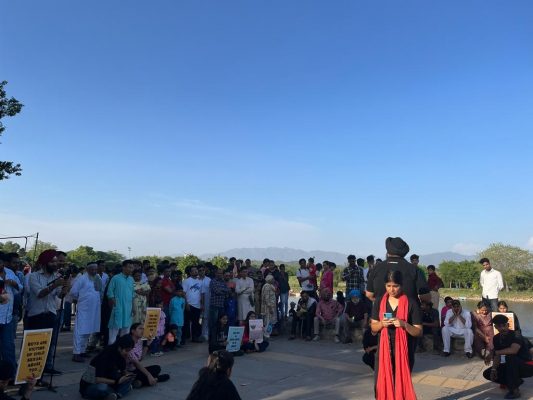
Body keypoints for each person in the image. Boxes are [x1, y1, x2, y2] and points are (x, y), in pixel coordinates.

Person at [370, 270, 422, 399]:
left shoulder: (411, 303)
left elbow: (418, 331)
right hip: (383, 349)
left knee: (401, 383)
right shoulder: (379, 302)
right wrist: (382, 323)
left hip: (405, 350)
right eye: (388, 286)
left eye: (395, 286)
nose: (392, 290)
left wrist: (404, 324)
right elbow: (373, 327)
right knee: (381, 384)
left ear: (402, 285)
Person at [27, 249, 67, 375]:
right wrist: (55, 285)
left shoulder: (56, 276)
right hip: (36, 316)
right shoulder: (34, 276)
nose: (55, 264)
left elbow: (60, 296)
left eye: (56, 262)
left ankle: (46, 369)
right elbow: (40, 294)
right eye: (52, 262)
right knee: (33, 348)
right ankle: (30, 374)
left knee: (49, 345)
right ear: (44, 263)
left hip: (50, 314)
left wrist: (66, 286)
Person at [483, 314, 533, 400]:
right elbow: (497, 356)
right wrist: (494, 369)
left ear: (508, 325)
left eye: (504, 325)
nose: (502, 328)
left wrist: (493, 352)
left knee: (510, 358)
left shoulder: (516, 335)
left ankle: (514, 390)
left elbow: (513, 350)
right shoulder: (496, 338)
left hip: (528, 365)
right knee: (488, 373)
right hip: (513, 366)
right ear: (496, 327)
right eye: (499, 326)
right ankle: (515, 381)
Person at [366, 237, 430, 304]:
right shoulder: (414, 269)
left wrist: (383, 304)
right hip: (408, 312)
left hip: (383, 313)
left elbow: (369, 294)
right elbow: (425, 297)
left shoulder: (376, 268)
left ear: (388, 251)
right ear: (404, 252)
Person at [79, 334, 136, 400]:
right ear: (120, 348)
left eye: (129, 351)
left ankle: (115, 395)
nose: (128, 353)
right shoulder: (106, 355)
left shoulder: (121, 356)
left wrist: (127, 376)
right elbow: (98, 379)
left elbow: (123, 371)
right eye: (126, 350)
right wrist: (117, 382)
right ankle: (118, 393)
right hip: (91, 385)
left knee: (128, 381)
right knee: (102, 387)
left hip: (110, 382)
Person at [70, 263, 102, 362]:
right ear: (87, 269)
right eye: (92, 269)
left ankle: (82, 351)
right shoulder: (82, 278)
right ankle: (76, 353)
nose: (94, 271)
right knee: (80, 330)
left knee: (88, 330)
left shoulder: (97, 278)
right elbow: (73, 292)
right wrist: (81, 299)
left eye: (95, 269)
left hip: (94, 309)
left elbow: (99, 290)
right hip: (84, 308)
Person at [126, 323, 169, 388]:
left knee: (157, 368)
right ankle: (156, 379)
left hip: (135, 369)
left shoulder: (140, 341)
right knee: (148, 375)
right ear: (133, 331)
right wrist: (149, 375)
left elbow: (140, 359)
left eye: (143, 329)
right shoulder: (128, 342)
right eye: (140, 328)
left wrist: (147, 344)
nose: (143, 330)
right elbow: (137, 363)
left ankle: (140, 382)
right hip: (127, 372)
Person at [0, 253, 22, 375]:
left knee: (8, 348)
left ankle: (11, 375)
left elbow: (21, 288)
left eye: (1, 263)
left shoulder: (10, 273)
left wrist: (14, 284)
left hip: (8, 318)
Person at [107, 260, 134, 345]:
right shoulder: (116, 278)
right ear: (124, 267)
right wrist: (114, 303)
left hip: (128, 309)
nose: (131, 269)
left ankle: (122, 354)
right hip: (118, 308)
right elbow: (109, 292)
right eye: (129, 267)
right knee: (113, 333)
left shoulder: (131, 279)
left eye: (132, 267)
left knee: (125, 333)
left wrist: (133, 307)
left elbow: (132, 294)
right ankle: (110, 353)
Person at [182, 267, 203, 343]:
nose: (195, 271)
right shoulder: (186, 281)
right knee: (186, 322)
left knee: (196, 322)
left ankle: (195, 337)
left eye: (196, 270)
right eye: (193, 270)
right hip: (189, 304)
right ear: (190, 272)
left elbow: (201, 294)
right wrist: (186, 303)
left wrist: (201, 304)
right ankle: (184, 338)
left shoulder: (200, 281)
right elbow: (183, 293)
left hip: (197, 305)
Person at [209, 268, 229, 336]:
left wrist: (222, 290)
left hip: (221, 305)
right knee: (213, 323)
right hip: (214, 305)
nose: (219, 274)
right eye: (218, 273)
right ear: (216, 273)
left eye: (221, 273)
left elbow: (228, 290)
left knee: (221, 323)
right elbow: (216, 291)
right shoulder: (213, 281)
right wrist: (223, 290)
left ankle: (218, 337)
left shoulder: (223, 282)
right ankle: (212, 338)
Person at [199, 266, 211, 341]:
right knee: (198, 319)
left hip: (206, 302)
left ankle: (205, 334)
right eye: (200, 270)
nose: (201, 271)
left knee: (205, 318)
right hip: (196, 302)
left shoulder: (209, 280)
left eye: (203, 270)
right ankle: (198, 334)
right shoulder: (196, 280)